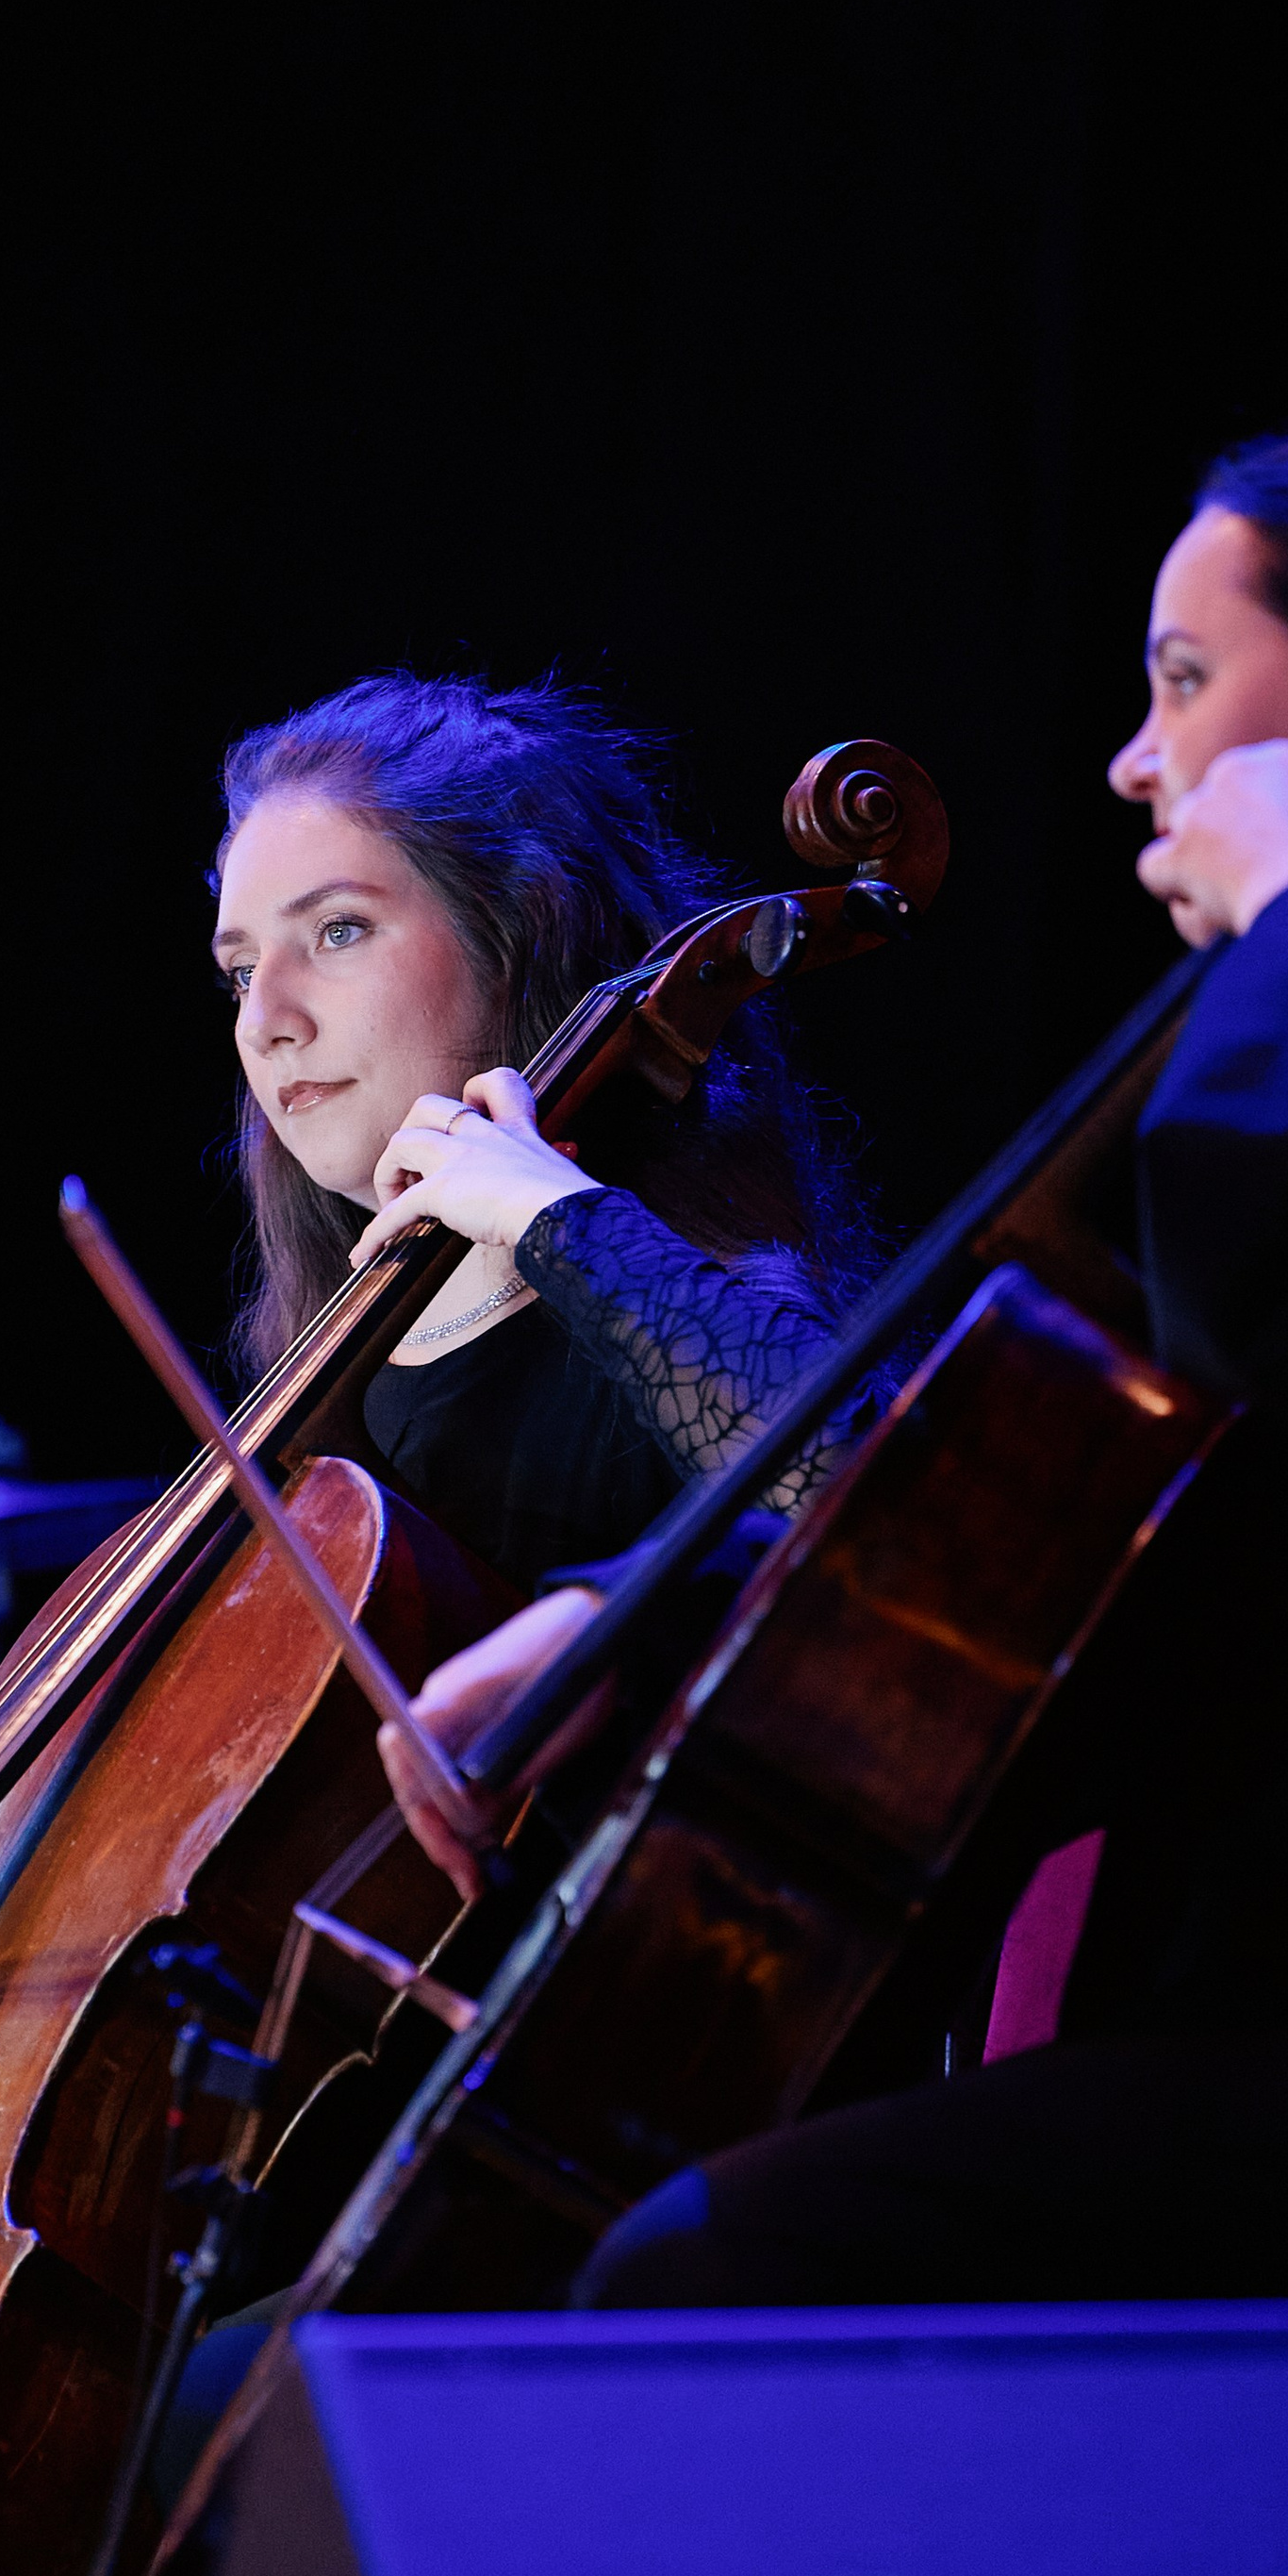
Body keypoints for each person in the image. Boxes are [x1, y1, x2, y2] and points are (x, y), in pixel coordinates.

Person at [374, 416, 1288, 2300]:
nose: (1133, 757)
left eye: (1184, 683)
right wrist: (640, 1617)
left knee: (693, 2280)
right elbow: (1022, 1508)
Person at [211, 676, 886, 1876]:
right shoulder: (331, 1385)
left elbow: (875, 1494)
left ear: (515, 929)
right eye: (238, 968)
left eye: (337, 932)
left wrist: (552, 1218)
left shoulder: (675, 1288)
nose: (267, 1016)